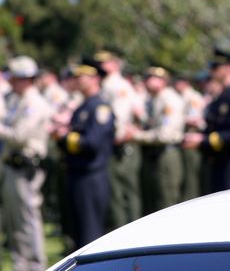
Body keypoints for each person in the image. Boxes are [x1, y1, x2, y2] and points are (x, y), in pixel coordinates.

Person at [54, 60, 115, 249]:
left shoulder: (99, 108)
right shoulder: (83, 107)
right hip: (76, 175)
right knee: (78, 234)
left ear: (95, 79)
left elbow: (92, 143)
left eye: (82, 76)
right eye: (76, 76)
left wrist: (65, 137)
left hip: (90, 177)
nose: (78, 80)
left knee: (90, 235)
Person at [0, 56, 51, 270]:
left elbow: (20, 135)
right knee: (15, 221)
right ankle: (22, 264)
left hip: (26, 167)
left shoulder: (34, 103)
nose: (10, 81)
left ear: (26, 79)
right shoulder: (16, 100)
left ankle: (35, 265)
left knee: (28, 220)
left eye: (15, 78)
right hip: (13, 167)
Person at [183, 48, 230, 193]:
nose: (211, 70)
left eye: (216, 67)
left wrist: (203, 141)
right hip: (218, 163)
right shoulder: (221, 97)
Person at [123, 66, 185, 214]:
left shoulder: (169, 100)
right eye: (147, 78)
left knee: (165, 202)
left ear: (163, 81)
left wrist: (137, 135)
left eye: (153, 78)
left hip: (166, 154)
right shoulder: (154, 99)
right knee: (151, 201)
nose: (148, 82)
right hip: (153, 153)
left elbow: (165, 134)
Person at [94, 49, 142, 227]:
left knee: (124, 194)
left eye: (104, 62)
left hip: (122, 146)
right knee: (117, 194)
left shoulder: (118, 86)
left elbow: (119, 121)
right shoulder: (107, 85)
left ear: (114, 64)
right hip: (114, 145)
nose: (101, 66)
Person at [174, 72, 205, 200]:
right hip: (184, 141)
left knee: (190, 181)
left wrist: (177, 118)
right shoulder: (182, 96)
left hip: (191, 142)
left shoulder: (192, 97)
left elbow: (194, 119)